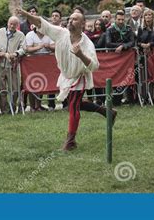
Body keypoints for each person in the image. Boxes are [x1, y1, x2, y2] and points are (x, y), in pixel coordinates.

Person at [17, 8, 117, 151]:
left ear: (82, 24)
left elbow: (94, 66)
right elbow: (42, 23)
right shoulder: (61, 33)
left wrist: (81, 55)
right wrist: (26, 14)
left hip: (80, 76)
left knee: (73, 107)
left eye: (75, 19)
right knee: (74, 103)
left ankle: (70, 142)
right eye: (70, 18)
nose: (71, 21)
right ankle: (107, 112)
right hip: (66, 75)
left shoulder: (87, 43)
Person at [0, 16, 26, 115]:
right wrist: (1, 53)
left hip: (13, 65)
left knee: (15, 89)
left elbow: (24, 48)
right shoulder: (0, 32)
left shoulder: (21, 35)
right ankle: (5, 111)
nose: (12, 26)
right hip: (0, 65)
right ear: (7, 23)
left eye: (15, 24)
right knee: (2, 89)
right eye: (11, 24)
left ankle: (12, 108)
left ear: (18, 25)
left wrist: (16, 54)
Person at [105, 10, 135, 105]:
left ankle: (131, 99)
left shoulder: (129, 29)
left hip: (127, 58)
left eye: (122, 19)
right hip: (114, 58)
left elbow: (132, 42)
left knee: (128, 76)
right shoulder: (110, 29)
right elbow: (108, 43)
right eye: (119, 19)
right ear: (115, 19)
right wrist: (119, 46)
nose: (121, 21)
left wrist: (123, 46)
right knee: (116, 78)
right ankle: (116, 100)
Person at [25, 24, 55, 112]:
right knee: (32, 83)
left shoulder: (49, 34)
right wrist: (39, 47)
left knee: (41, 82)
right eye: (39, 26)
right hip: (32, 63)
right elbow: (28, 49)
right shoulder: (30, 35)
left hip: (45, 63)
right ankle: (32, 106)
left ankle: (38, 106)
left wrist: (48, 46)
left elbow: (55, 46)